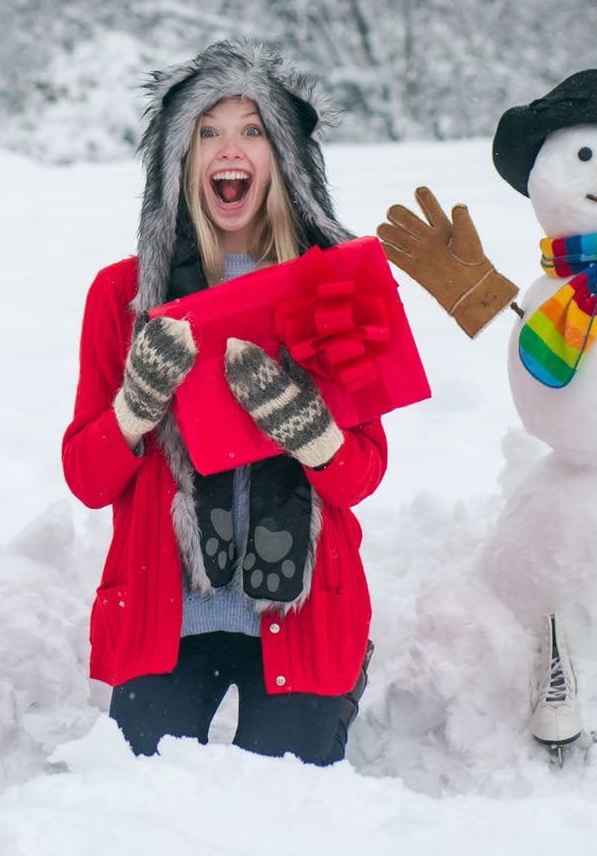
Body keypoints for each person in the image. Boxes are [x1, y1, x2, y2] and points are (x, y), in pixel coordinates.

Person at [61, 40, 385, 765]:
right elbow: (86, 479)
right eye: (207, 132)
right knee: (140, 788)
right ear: (178, 161)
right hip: (168, 610)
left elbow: (360, 476)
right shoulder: (124, 297)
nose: (227, 149)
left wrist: (309, 432)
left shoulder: (334, 286)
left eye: (251, 129)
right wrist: (135, 408)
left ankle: (343, 671)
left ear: (285, 159)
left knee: (286, 796)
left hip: (303, 612)